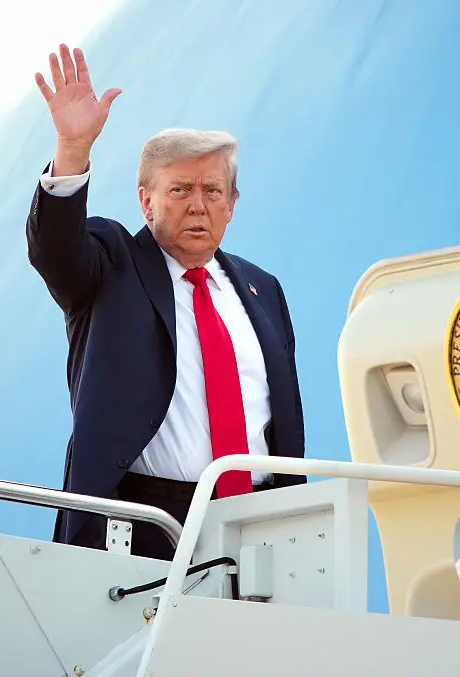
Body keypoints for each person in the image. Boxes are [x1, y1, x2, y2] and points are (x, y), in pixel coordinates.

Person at [26, 44, 306, 561]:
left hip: (263, 525)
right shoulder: (112, 264)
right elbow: (55, 248)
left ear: (232, 205)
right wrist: (72, 149)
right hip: (147, 525)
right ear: (145, 200)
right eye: (179, 189)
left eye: (213, 190)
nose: (199, 204)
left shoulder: (263, 290)